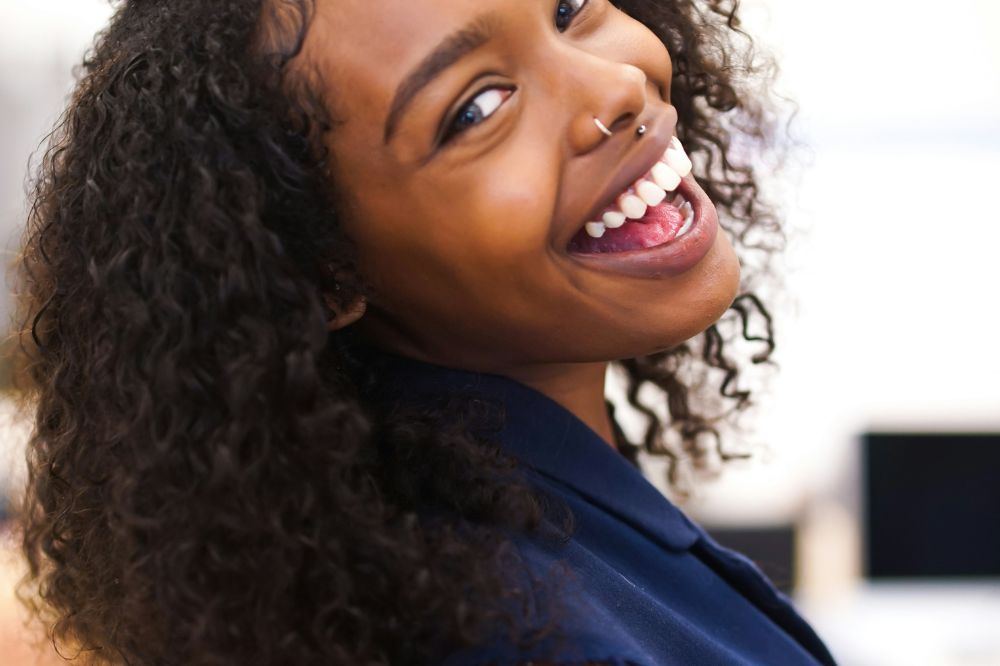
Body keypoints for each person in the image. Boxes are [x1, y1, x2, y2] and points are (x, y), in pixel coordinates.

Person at [10, 0, 836, 664]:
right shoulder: (530, 635)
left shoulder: (513, 523)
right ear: (327, 268)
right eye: (477, 108)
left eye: (569, 7)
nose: (615, 85)